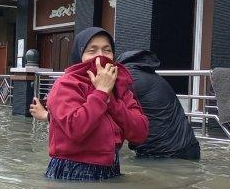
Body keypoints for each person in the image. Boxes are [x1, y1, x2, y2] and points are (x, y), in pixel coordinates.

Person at [31, 49, 200, 160]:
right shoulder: (151, 75)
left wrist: (47, 116)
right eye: (92, 50)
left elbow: (92, 117)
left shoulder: (125, 79)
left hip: (161, 154)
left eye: (106, 50)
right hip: (190, 146)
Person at [36, 27, 148, 181]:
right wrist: (101, 93)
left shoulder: (121, 87)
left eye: (107, 50)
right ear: (79, 55)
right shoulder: (66, 84)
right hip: (72, 169)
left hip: (111, 167)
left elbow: (140, 133)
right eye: (92, 51)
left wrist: (111, 100)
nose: (101, 56)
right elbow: (76, 128)